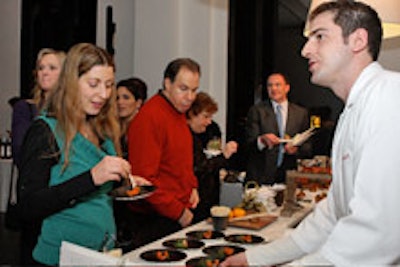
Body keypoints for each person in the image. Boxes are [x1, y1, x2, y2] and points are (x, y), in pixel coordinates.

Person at [221, 1, 400, 266]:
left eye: (319, 37)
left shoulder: (389, 99)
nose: (305, 50)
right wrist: (252, 258)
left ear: (357, 40)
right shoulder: (353, 111)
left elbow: (377, 233)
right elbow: (330, 215)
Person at [16, 43, 148, 266]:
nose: (104, 94)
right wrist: (92, 177)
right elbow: (27, 207)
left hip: (102, 255)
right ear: (70, 83)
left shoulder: (101, 129)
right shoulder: (46, 131)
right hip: (59, 259)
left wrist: (125, 184)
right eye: (93, 84)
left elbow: (97, 192)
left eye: (108, 85)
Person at [126, 58, 201, 248]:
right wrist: (179, 212)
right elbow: (144, 180)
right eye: (183, 89)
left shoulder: (177, 111)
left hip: (177, 210)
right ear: (167, 84)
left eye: (194, 90)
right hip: (155, 219)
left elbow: (180, 160)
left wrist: (192, 186)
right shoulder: (150, 117)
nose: (190, 97)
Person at [245, 72, 312, 185]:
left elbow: (308, 147)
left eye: (277, 85)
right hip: (261, 175)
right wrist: (262, 140)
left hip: (288, 175)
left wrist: (296, 150)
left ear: (287, 88)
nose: (273, 88)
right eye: (270, 85)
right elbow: (249, 143)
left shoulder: (300, 113)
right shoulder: (257, 111)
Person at [187, 92, 238, 223]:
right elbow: (199, 167)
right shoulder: (187, 137)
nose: (209, 122)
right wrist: (224, 156)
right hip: (195, 202)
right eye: (205, 117)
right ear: (192, 114)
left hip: (208, 198)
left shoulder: (208, 131)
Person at [11, 48, 66, 168]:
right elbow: (20, 153)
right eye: (41, 68)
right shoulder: (25, 109)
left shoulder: (71, 110)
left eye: (52, 68)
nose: (44, 72)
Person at [116, 77, 148, 159]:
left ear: (138, 103)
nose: (120, 102)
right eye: (117, 98)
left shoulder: (144, 129)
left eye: (126, 98)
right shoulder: (113, 128)